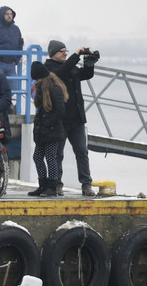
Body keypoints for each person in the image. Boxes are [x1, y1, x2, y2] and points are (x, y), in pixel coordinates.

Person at [45, 40, 99, 196]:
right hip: (59, 119)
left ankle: (86, 184)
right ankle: (56, 184)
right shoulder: (48, 68)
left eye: (66, 51)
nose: (65, 53)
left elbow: (85, 75)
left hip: (76, 119)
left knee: (82, 151)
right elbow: (60, 74)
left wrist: (89, 63)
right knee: (57, 154)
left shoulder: (71, 67)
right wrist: (75, 56)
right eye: (61, 51)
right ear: (52, 53)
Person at [28, 61, 68, 197]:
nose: (36, 81)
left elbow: (60, 110)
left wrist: (49, 123)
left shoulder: (55, 88)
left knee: (51, 158)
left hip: (52, 130)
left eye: (37, 79)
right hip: (42, 130)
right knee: (37, 157)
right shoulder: (41, 88)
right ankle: (42, 185)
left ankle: (52, 186)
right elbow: (39, 106)